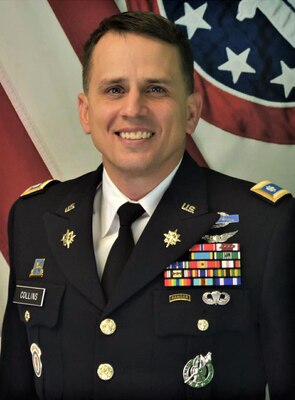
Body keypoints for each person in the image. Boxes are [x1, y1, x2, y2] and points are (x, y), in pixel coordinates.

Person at [0, 11, 294, 400]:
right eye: (114, 90)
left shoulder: (264, 227)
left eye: (156, 89)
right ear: (86, 112)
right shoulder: (35, 218)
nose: (133, 108)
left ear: (191, 111)